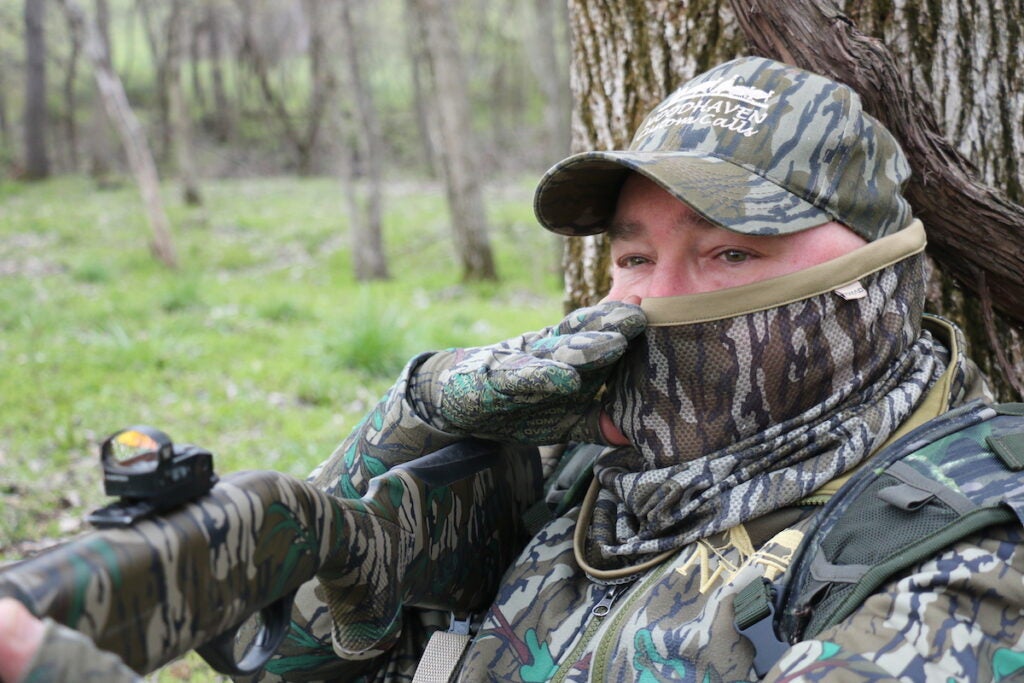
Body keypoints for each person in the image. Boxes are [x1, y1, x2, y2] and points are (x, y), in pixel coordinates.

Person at [7, 55, 1019, 682]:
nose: (654, 299)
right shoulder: (579, 466)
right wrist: (412, 416)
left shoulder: (967, 550)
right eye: (631, 258)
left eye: (729, 254)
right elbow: (296, 652)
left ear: (875, 279)